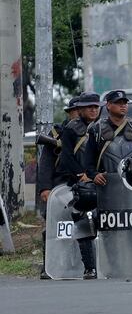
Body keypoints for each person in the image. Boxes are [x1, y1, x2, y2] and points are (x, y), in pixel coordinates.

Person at [55, 92, 102, 279]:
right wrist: (81, 175)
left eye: (96, 106)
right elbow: (66, 157)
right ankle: (90, 267)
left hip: (102, 180)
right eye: (89, 106)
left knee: (108, 222)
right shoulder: (71, 129)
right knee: (84, 223)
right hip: (81, 183)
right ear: (80, 109)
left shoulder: (103, 126)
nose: (93, 109)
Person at [36, 96, 80, 278]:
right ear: (70, 113)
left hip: (82, 184)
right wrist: (45, 189)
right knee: (56, 228)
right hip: (59, 187)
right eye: (77, 111)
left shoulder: (94, 130)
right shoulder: (57, 135)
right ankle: (50, 265)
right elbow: (45, 163)